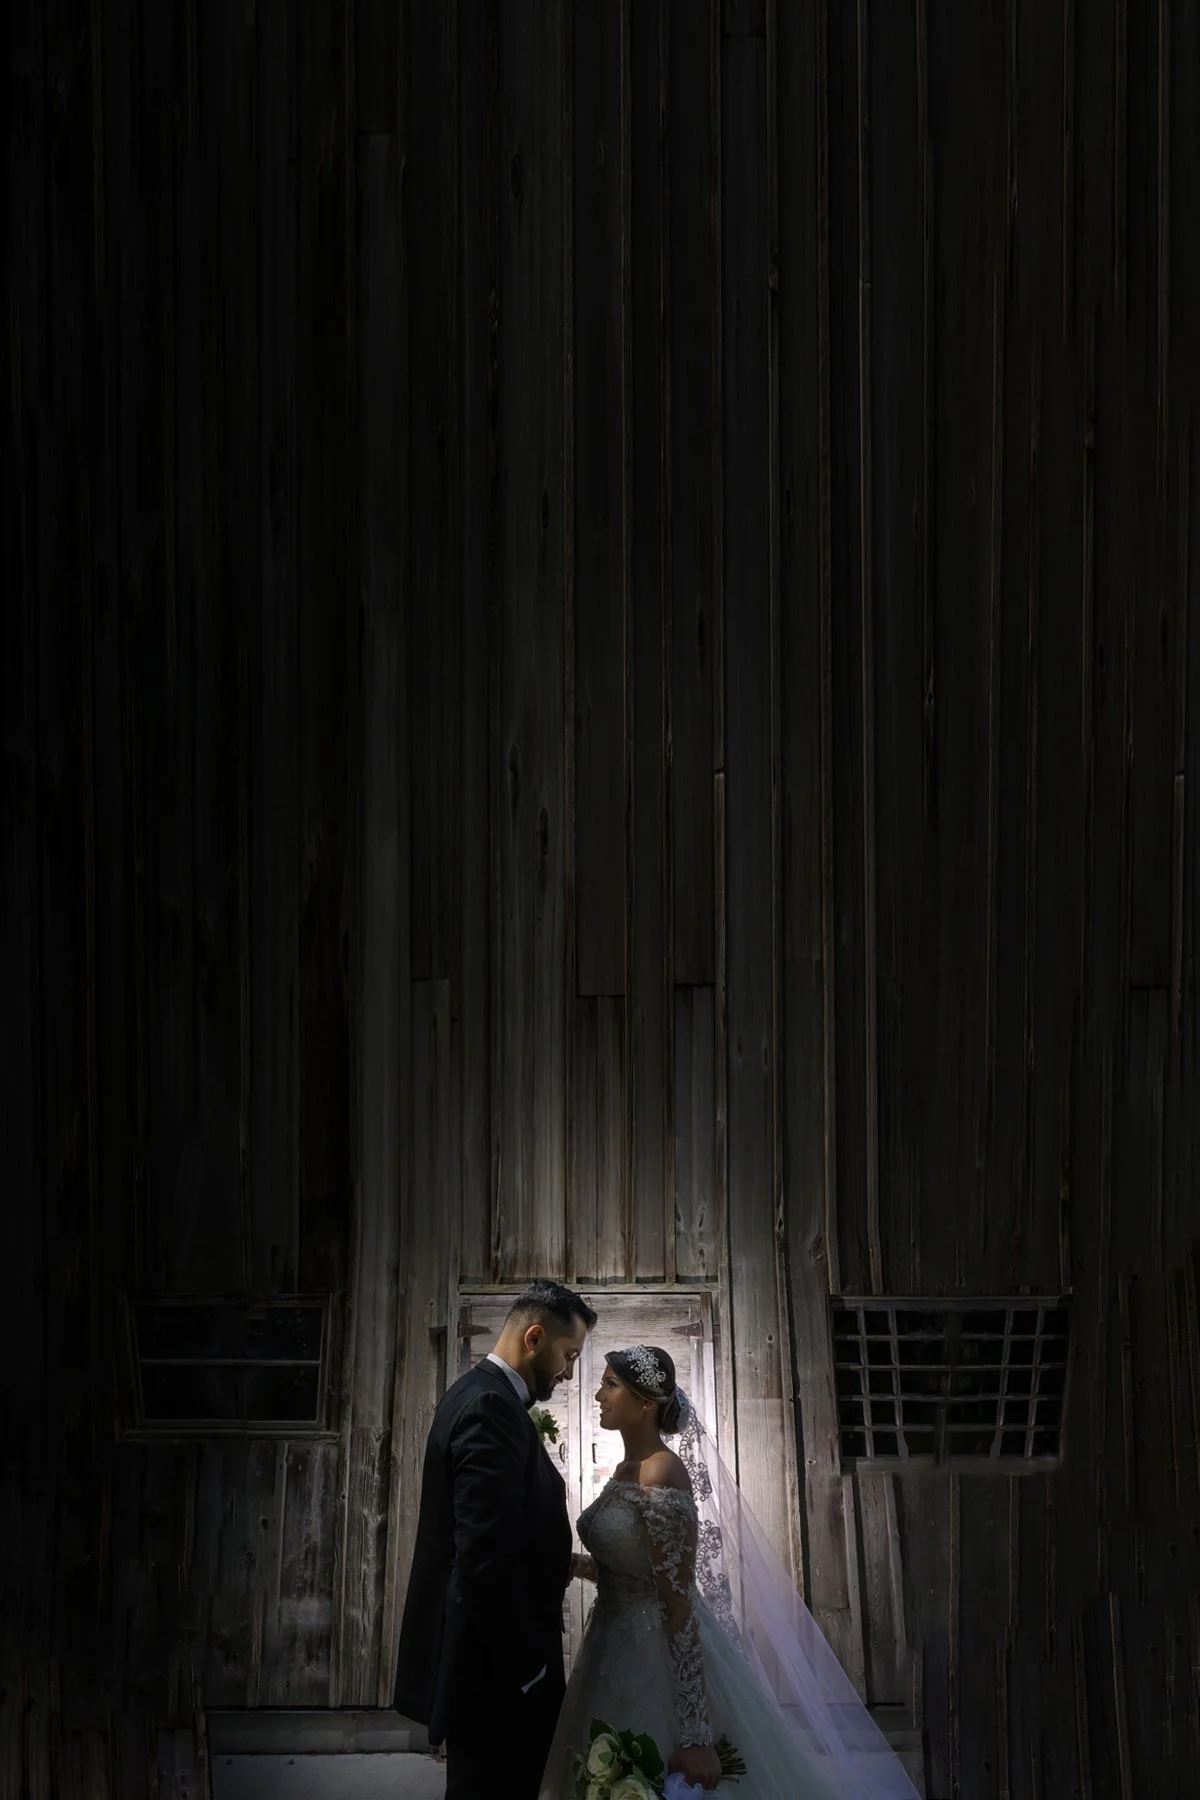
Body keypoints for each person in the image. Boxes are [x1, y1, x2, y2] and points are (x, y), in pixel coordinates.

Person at [538, 1345, 920, 1800]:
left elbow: (676, 1603)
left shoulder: (661, 1472)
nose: (598, 1394)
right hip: (610, 1647)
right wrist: (574, 1566)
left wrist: (696, 1735)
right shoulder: (626, 1469)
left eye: (611, 1385)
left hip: (653, 1657)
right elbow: (635, 1574)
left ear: (646, 1402)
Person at [393, 1280, 597, 1800]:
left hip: (493, 1677)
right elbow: (484, 1559)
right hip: (500, 1683)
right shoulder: (490, 1408)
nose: (570, 1372)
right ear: (534, 1337)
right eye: (568, 1354)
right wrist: (527, 1670)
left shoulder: (480, 1394)